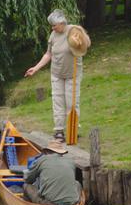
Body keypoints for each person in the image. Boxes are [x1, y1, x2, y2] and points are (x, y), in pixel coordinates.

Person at [24, 9, 91, 143]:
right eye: (52, 26)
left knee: (71, 102)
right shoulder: (53, 35)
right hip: (56, 74)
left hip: (72, 74)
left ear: (61, 22)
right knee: (58, 101)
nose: (52, 28)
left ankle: (73, 129)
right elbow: (49, 54)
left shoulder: (74, 30)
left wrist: (78, 42)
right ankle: (59, 131)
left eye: (54, 25)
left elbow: (86, 44)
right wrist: (35, 68)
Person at [23, 140, 82, 205]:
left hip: (50, 203)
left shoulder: (42, 160)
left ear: (47, 151)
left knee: (26, 186)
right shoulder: (70, 161)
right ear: (62, 153)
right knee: (77, 183)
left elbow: (28, 179)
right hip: (70, 203)